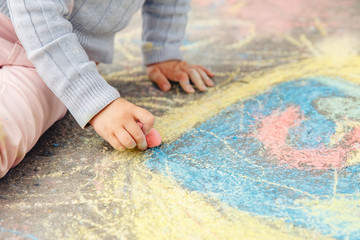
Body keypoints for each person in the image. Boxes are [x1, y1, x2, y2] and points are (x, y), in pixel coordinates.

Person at [0, 0, 214, 178]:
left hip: (57, 68)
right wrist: (94, 100)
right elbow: (36, 11)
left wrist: (163, 50)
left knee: (6, 131)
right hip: (15, 27)